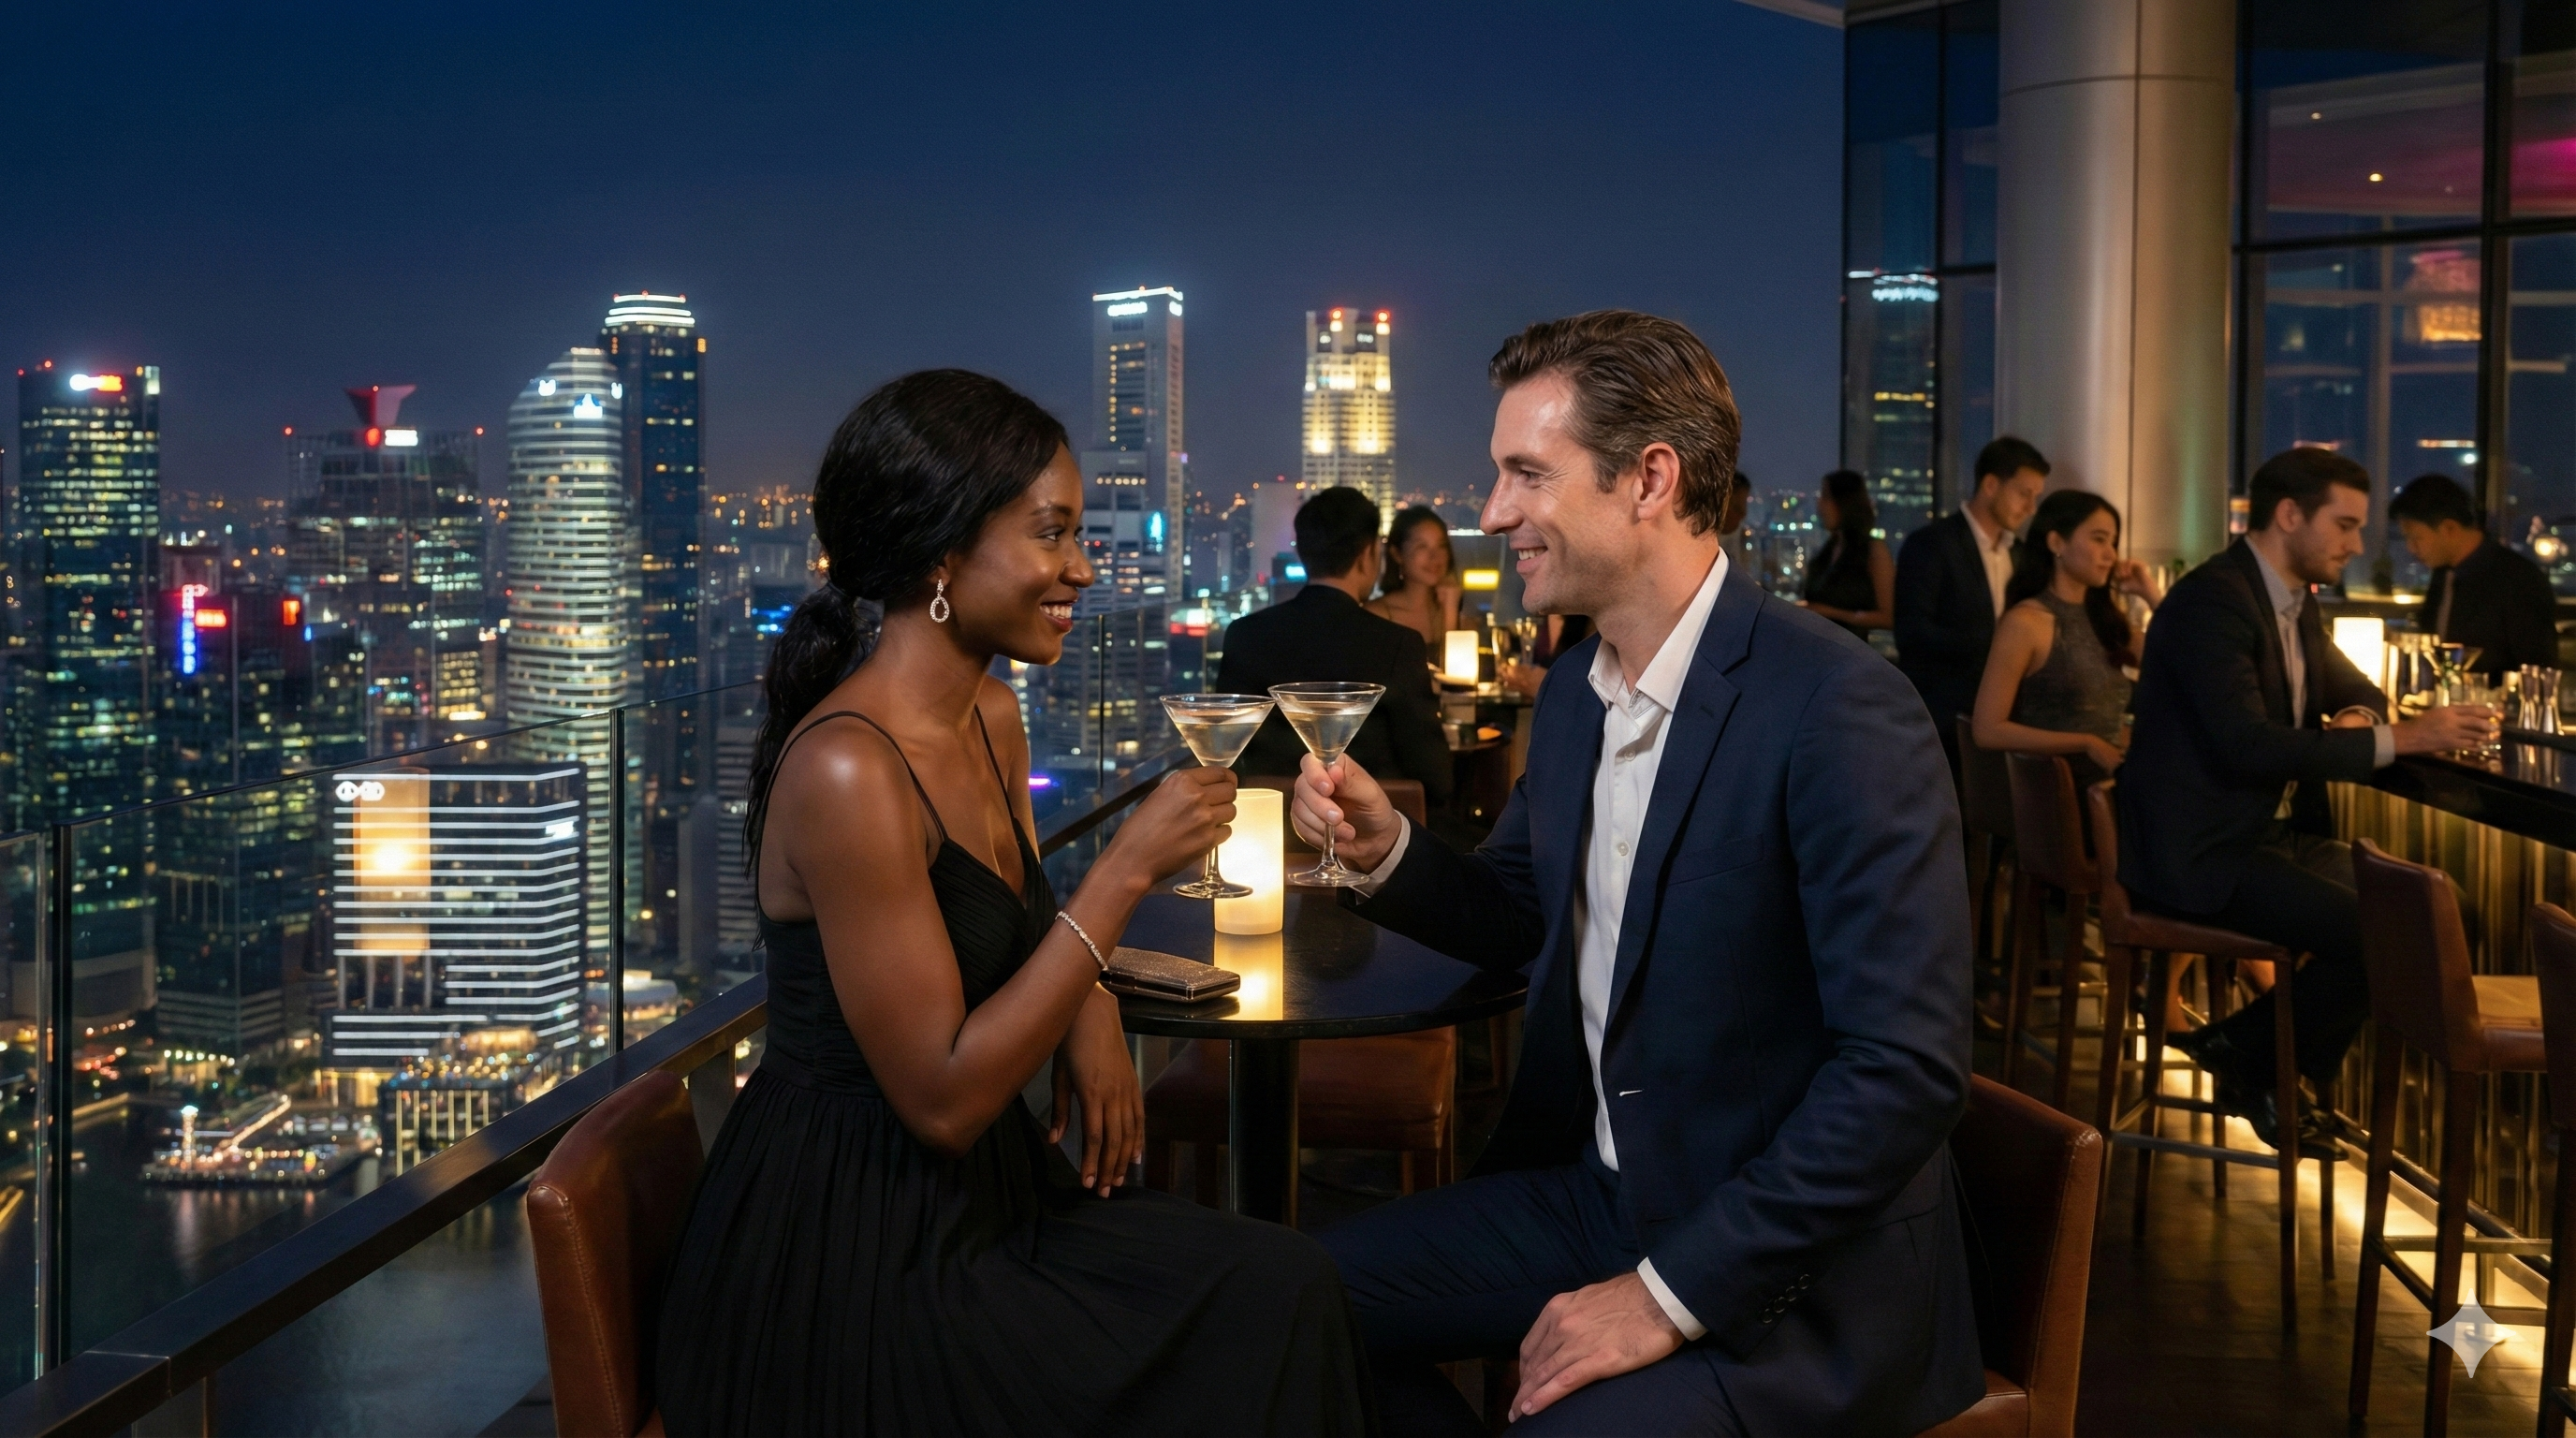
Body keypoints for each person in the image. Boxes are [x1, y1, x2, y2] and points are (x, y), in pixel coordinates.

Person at [1295, 311, 1983, 1436]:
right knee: (1286, 1310)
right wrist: (1392, 854)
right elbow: (1524, 912)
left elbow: (1901, 1070)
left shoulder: (1839, 707)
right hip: (1601, 1200)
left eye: (1527, 474)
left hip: (1793, 1274)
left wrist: (1665, 1296)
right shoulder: (1576, 698)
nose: (1492, 514)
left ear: (1649, 480)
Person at [654, 371, 1369, 1435]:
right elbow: (942, 1103)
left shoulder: (992, 714)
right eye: (1051, 534)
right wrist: (1124, 872)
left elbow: (1027, 922)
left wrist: (1091, 1005)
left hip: (988, 1200)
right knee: (1254, 1314)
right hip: (853, 1255)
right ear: (941, 556)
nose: (1083, 567)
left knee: (1287, 1280)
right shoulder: (849, 768)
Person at [2123, 446, 2498, 1154]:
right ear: (2290, 515)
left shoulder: (2293, 602)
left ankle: (2247, 1055)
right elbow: (2246, 746)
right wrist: (2405, 737)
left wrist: (2360, 716)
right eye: (2345, 525)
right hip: (2202, 848)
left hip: (2266, 835)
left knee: (2447, 910)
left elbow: (2356, 687)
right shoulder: (2213, 601)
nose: (2356, 545)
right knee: (2380, 930)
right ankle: (2262, 1066)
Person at [1221, 485, 1455, 804]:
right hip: (1366, 827)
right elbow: (1436, 777)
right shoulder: (1399, 644)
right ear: (1367, 555)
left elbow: (1227, 758)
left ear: (1304, 553)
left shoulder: (1244, 635)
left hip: (1270, 824)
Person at [1970, 489, 2160, 790]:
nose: (2111, 555)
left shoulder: (2106, 621)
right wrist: (2087, 743)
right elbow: (1987, 730)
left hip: (2111, 782)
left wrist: (2150, 594)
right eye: (2099, 540)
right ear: (2057, 543)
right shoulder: (2026, 622)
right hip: (2059, 790)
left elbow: (2184, 664)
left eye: (2113, 543)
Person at [1895, 436, 2049, 768]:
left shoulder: (2021, 555)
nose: (2031, 508)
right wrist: (2000, 649)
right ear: (1990, 485)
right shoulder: (1931, 545)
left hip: (2007, 723)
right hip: (1944, 721)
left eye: (2036, 497)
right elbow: (1912, 633)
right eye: (2024, 494)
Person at [2389, 471, 2558, 677]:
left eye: (2416, 538)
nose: (2410, 548)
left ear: (2449, 528)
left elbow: (2539, 671)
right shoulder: (2443, 574)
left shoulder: (2518, 580)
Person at [1800, 468, 1895, 640]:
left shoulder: (1873, 550)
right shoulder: (1829, 550)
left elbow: (1888, 618)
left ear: (1845, 503)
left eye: (1826, 497)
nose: (1819, 504)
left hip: (1849, 650)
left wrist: (1829, 613)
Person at [1370, 504, 1465, 650]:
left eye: (1441, 546)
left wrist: (1450, 611)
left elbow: (1458, 662)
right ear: (1397, 554)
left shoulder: (1456, 613)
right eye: (1422, 546)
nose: (1435, 557)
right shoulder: (1377, 616)